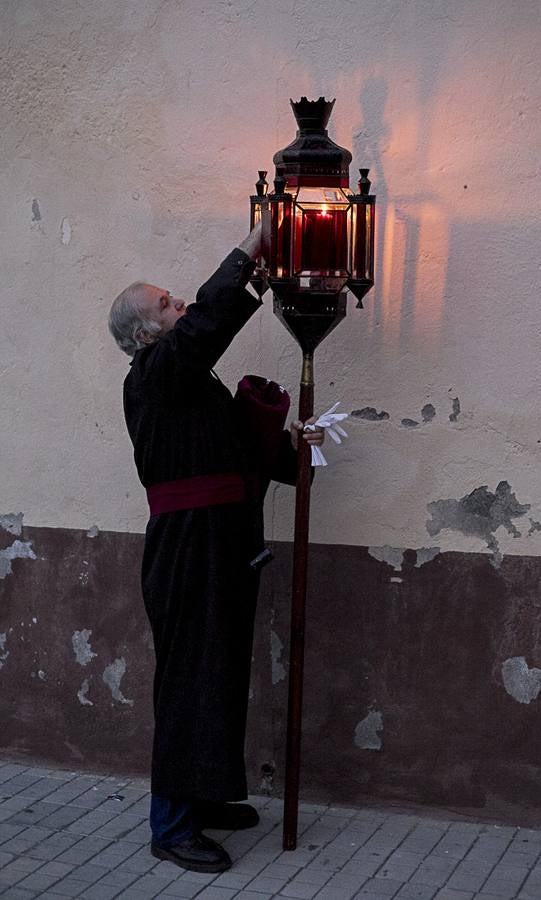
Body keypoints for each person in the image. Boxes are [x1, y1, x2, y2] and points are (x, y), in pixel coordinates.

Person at [108, 223, 324, 873]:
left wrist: (299, 444)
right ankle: (171, 825)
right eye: (168, 304)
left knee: (219, 674)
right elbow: (206, 325)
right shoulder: (153, 374)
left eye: (177, 298)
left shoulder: (189, 383)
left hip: (222, 544)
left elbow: (241, 448)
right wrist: (252, 251)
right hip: (186, 550)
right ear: (147, 334)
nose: (181, 308)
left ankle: (203, 797)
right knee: (188, 683)